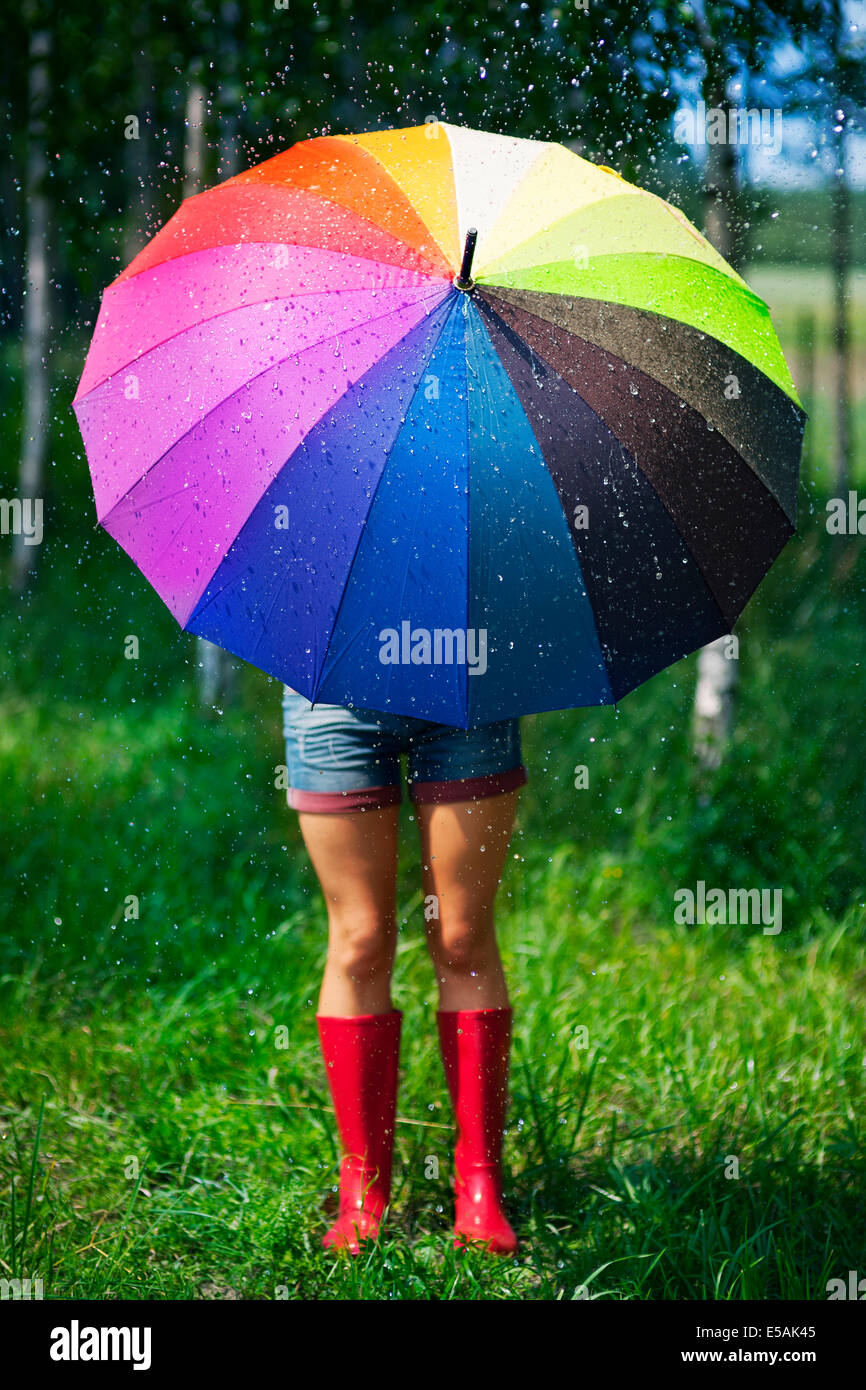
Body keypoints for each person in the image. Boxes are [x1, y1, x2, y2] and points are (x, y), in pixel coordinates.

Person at [281, 685, 528, 1256]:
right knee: (360, 941)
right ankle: (362, 1190)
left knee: (462, 937)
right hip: (332, 691)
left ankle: (479, 1183)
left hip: (469, 678)